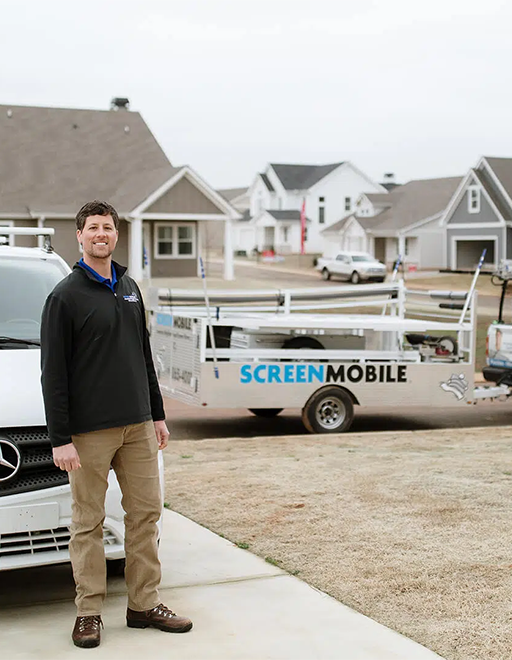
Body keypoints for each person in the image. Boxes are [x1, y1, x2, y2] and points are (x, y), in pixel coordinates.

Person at [41, 200, 192, 648]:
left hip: (138, 426)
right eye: (92, 228)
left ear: (116, 234)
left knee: (145, 515)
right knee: (87, 521)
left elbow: (143, 356)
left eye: (107, 227)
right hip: (88, 432)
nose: (100, 234)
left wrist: (157, 414)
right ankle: (88, 612)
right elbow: (53, 374)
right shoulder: (64, 297)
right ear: (80, 236)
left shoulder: (129, 288)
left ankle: (143, 604)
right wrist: (60, 438)